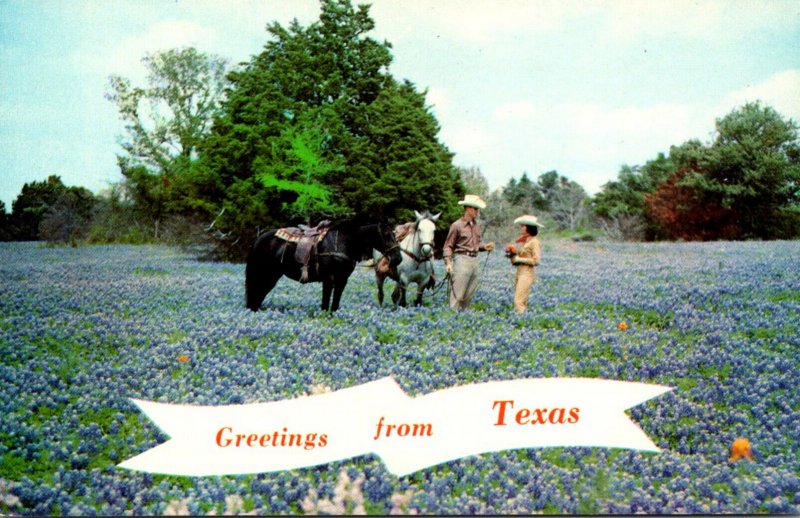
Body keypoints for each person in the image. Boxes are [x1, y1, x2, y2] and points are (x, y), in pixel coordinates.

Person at [443, 194, 495, 310]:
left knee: (468, 295)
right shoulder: (456, 225)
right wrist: (448, 263)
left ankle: (463, 319)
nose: (477, 211)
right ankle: (452, 319)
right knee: (457, 294)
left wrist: (485, 247)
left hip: (475, 261)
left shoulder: (476, 226)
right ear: (468, 208)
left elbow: (477, 244)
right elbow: (448, 246)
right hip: (462, 260)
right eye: (475, 209)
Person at [505, 214, 543, 314]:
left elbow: (536, 260)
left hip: (527, 273)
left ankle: (522, 322)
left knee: (518, 301)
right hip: (520, 272)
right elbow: (519, 258)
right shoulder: (525, 241)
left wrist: (519, 259)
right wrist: (512, 254)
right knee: (522, 300)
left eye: (522, 226)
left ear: (528, 227)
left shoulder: (534, 242)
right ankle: (524, 319)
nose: (520, 228)